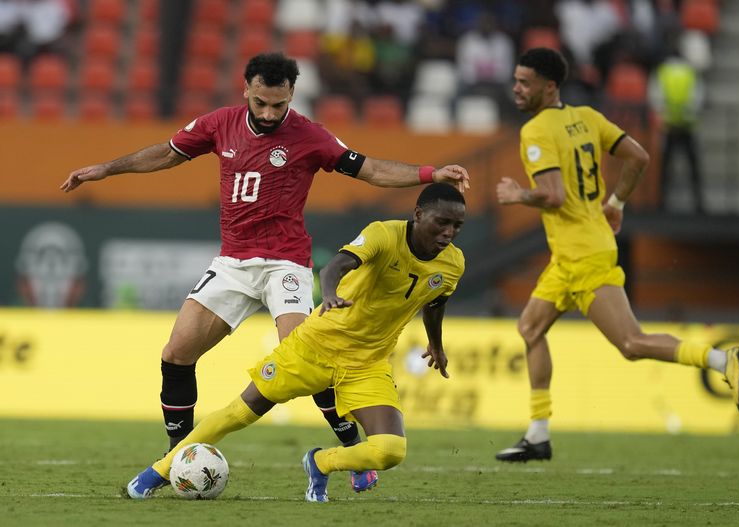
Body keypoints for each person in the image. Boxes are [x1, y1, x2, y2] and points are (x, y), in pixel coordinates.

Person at [60, 52, 470, 490]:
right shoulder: (219, 123)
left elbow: (369, 169)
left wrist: (429, 172)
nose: (270, 113)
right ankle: (179, 452)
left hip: (286, 263)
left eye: (279, 104)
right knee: (176, 353)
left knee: (306, 354)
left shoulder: (310, 135)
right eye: (261, 103)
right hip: (233, 262)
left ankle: (352, 448)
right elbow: (167, 152)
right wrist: (106, 167)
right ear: (246, 91)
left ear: (292, 93)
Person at [125, 182, 466, 502]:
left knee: (390, 450)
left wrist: (436, 343)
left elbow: (435, 302)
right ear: (419, 214)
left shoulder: (453, 263)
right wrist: (330, 294)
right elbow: (336, 266)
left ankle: (321, 463)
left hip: (367, 363)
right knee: (239, 413)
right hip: (313, 347)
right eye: (442, 222)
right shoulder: (384, 234)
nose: (449, 233)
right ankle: (156, 473)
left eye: (457, 226)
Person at [493, 48, 739, 463]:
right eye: (516, 80)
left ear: (550, 86)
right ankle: (538, 434)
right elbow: (639, 156)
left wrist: (517, 194)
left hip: (583, 257)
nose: (517, 88)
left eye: (525, 82)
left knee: (631, 343)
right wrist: (617, 203)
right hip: (573, 254)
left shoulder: (537, 130)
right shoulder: (588, 118)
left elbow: (554, 196)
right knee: (530, 328)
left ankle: (724, 360)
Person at [648, 47, 705, 213]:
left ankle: (661, 202)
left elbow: (655, 97)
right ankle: (699, 202)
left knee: (666, 166)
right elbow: (698, 95)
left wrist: (663, 115)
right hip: (688, 124)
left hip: (669, 125)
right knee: (693, 165)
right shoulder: (690, 72)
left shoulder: (662, 71)